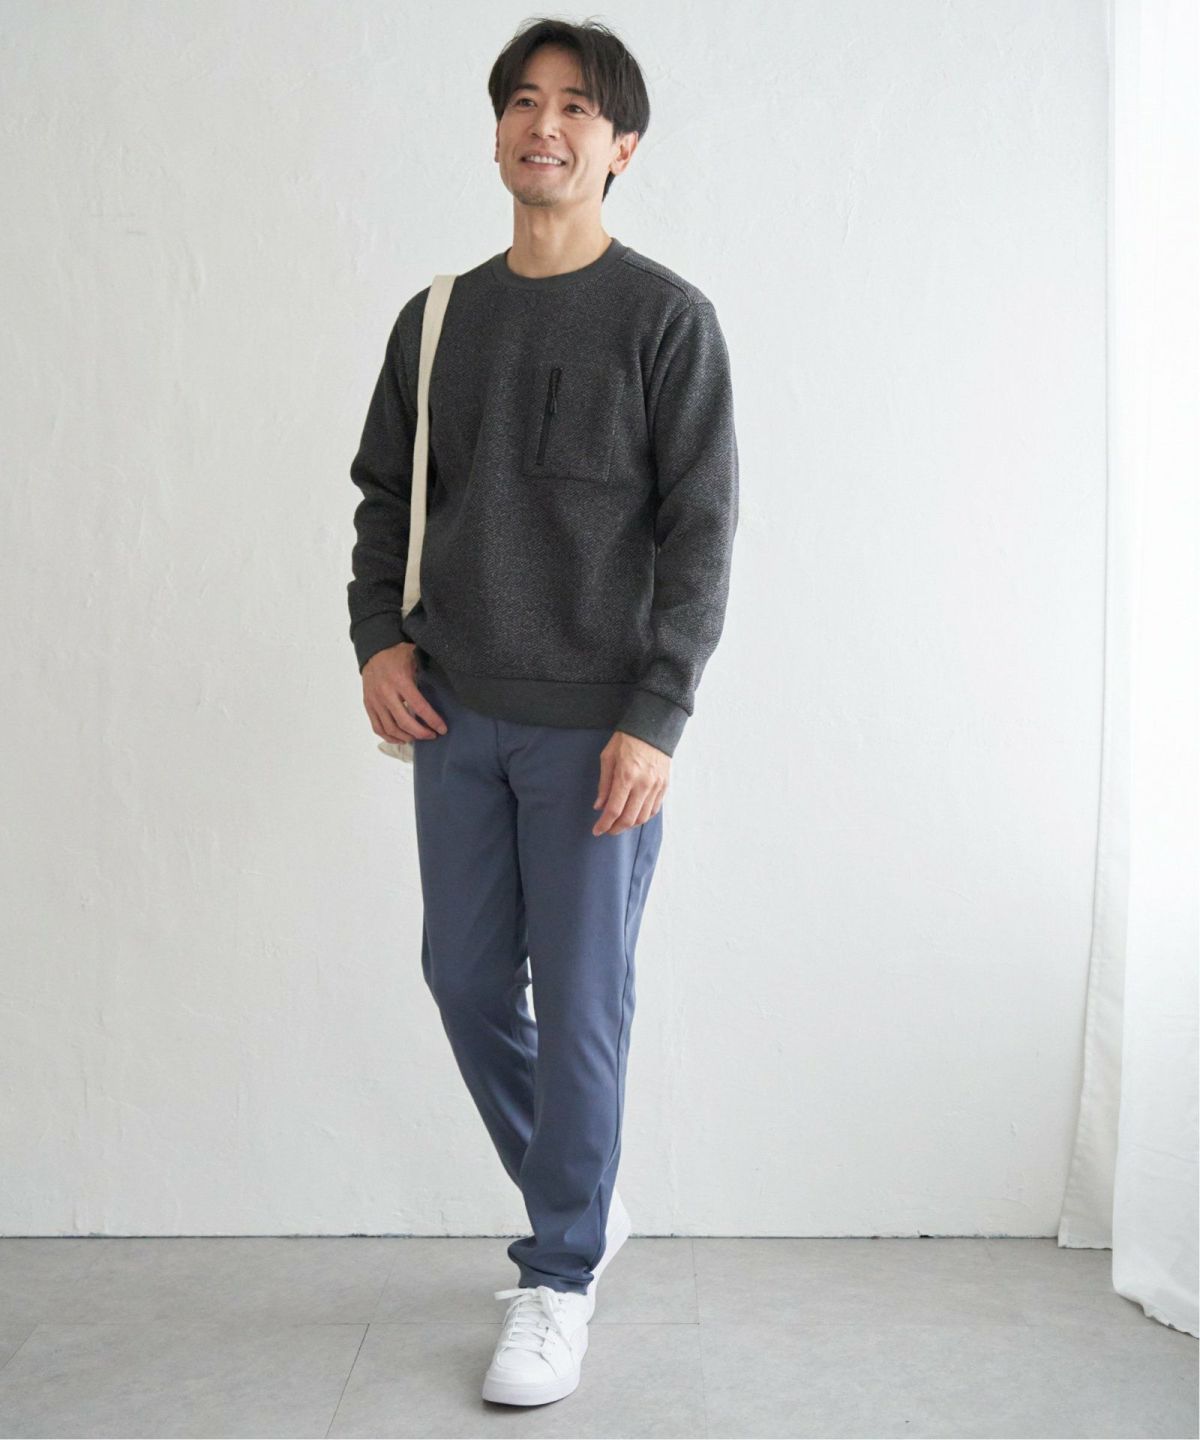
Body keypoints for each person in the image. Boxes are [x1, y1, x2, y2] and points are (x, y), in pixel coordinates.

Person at [346, 17, 739, 1408]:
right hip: (454, 713)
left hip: (597, 734)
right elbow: (385, 499)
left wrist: (658, 714)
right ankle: (585, 1196)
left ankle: (559, 1276)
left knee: (579, 1009)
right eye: (524, 101)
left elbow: (702, 535)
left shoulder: (666, 320)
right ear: (498, 129)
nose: (545, 124)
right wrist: (376, 642)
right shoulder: (438, 317)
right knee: (464, 981)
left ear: (621, 147)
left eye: (577, 107)